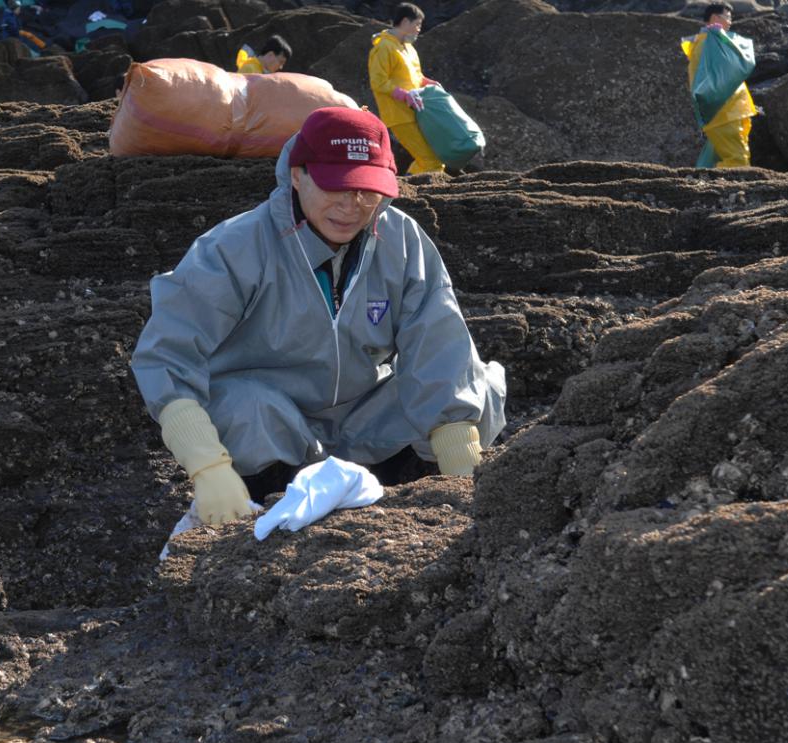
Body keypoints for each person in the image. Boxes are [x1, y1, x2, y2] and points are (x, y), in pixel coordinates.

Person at [131, 107, 506, 526]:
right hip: (270, 432)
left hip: (363, 421)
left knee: (480, 385)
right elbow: (167, 355)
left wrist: (464, 485)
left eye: (367, 190)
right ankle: (253, 496)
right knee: (243, 405)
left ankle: (421, 491)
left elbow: (439, 344)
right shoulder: (234, 248)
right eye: (336, 187)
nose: (352, 206)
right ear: (297, 174)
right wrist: (206, 465)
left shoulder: (401, 239)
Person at [368, 2, 443, 175]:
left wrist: (428, 82)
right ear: (405, 22)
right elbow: (378, 82)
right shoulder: (383, 47)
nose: (418, 29)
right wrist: (404, 95)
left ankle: (407, 185)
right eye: (417, 24)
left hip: (418, 111)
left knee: (432, 158)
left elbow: (416, 76)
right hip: (399, 116)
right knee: (431, 161)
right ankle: (413, 195)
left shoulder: (409, 48)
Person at [681, 2, 757, 167]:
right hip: (724, 111)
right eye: (728, 17)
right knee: (738, 158)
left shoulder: (704, 42)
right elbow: (743, 62)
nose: (730, 22)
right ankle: (733, 189)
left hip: (726, 111)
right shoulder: (709, 43)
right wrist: (721, 37)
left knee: (714, 157)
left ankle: (701, 185)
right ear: (715, 18)